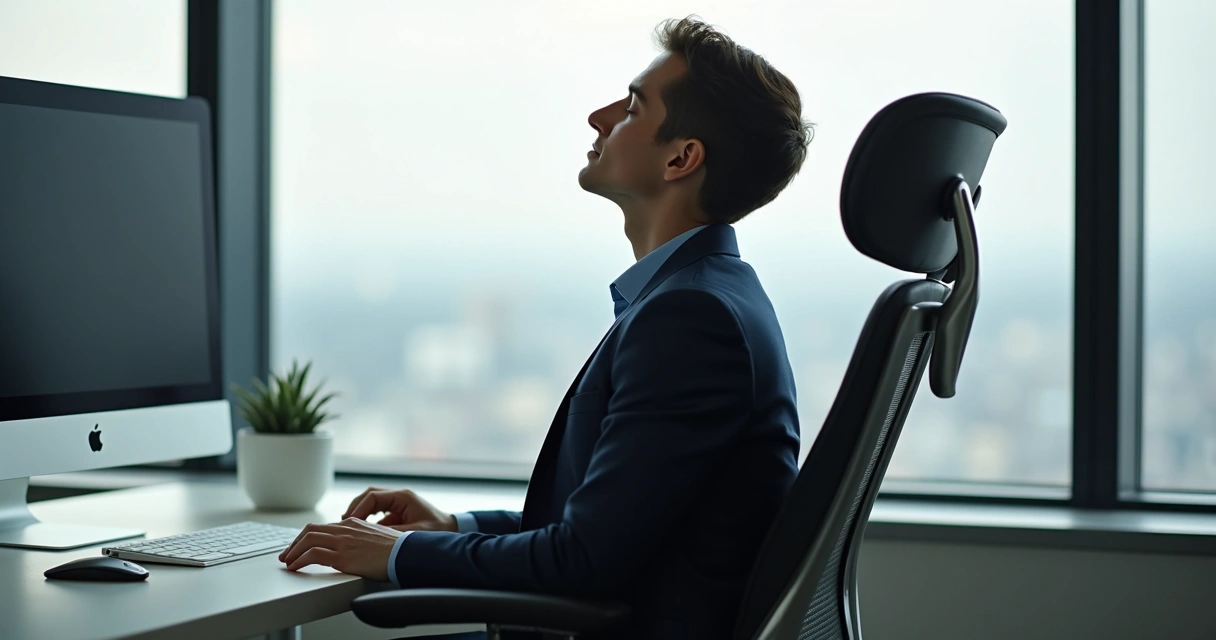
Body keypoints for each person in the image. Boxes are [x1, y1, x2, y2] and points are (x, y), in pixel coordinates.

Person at [279, 15, 811, 639]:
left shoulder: (691, 319)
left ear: (682, 158)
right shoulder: (708, 297)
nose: (599, 117)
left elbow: (584, 560)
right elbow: (613, 526)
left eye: (634, 107)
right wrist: (457, 526)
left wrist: (395, 555)